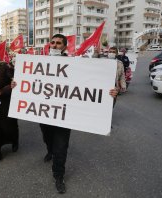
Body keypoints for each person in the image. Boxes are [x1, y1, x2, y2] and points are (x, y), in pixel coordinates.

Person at [11, 34, 118, 194]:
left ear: (65, 47)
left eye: (58, 43)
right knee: (48, 138)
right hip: (44, 113)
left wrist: (110, 94)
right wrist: (16, 84)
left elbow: (89, 85)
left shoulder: (74, 65)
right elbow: (30, 84)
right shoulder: (37, 64)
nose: (54, 45)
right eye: (52, 43)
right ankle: (49, 151)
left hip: (64, 117)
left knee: (61, 147)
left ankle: (58, 175)